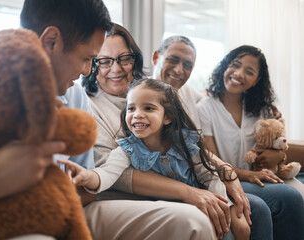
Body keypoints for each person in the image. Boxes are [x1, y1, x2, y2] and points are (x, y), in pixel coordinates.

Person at [0, 0, 112, 239]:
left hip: (60, 212)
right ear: (51, 40)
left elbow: (86, 188)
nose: (87, 71)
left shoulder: (73, 95)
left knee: (180, 219)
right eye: (86, 58)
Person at [82, 23, 247, 240]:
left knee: (259, 209)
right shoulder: (88, 105)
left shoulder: (151, 93)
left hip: (190, 182)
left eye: (124, 59)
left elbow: (195, 150)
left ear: (134, 59)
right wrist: (190, 193)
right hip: (139, 197)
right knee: (219, 223)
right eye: (104, 61)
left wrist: (228, 172)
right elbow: (110, 171)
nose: (116, 68)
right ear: (93, 63)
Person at [64, 78, 251, 240]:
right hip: (171, 207)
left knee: (241, 228)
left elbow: (209, 175)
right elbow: (108, 173)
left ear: (167, 117)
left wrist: (219, 205)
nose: (137, 114)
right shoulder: (126, 149)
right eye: (131, 108)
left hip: (208, 195)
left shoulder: (184, 143)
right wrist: (89, 177)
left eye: (148, 108)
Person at [196, 45, 304, 240]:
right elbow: (211, 160)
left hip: (260, 176)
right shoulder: (205, 108)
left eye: (249, 71)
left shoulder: (261, 109)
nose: (238, 74)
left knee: (299, 193)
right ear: (225, 66)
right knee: (289, 197)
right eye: (235, 65)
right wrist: (248, 174)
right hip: (227, 180)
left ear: (257, 80)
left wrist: (278, 155)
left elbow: (277, 145)